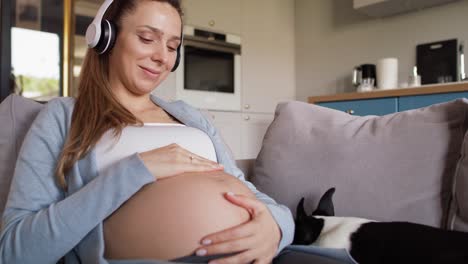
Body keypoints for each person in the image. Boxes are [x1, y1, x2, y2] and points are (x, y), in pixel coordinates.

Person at [0, 0, 356, 263]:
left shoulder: (190, 116)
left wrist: (275, 228)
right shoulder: (63, 117)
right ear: (106, 38)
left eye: (172, 46)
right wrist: (134, 171)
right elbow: (14, 251)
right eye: (147, 38)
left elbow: (253, 194)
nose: (162, 58)